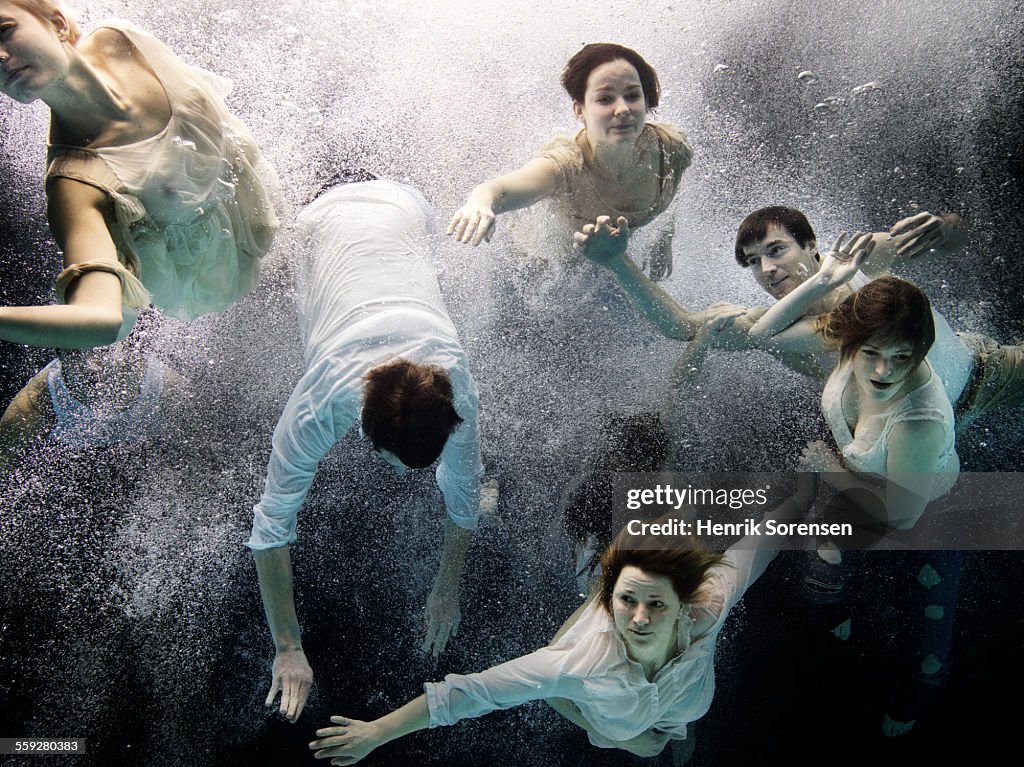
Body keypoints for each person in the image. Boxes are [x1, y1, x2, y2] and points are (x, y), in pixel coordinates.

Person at [309, 478, 814, 765]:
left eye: (656, 605)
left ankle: (680, 734)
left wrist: (811, 490)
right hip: (610, 723)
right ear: (610, 594)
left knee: (677, 729)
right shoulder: (579, 663)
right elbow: (470, 693)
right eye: (627, 600)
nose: (638, 619)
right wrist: (377, 732)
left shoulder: (709, 607)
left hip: (677, 706)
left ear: (683, 603)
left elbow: (760, 543)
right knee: (620, 725)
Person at [248, 179, 484, 724]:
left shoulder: (458, 388)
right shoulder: (322, 401)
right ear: (362, 430)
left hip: (405, 206)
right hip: (323, 221)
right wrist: (287, 646)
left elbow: (465, 494)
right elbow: (269, 527)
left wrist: (444, 590)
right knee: (275, 264)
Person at [748, 253, 963, 735]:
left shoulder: (918, 422)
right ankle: (839, 626)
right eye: (872, 354)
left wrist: (830, 470)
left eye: (902, 357)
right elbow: (759, 335)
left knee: (929, 648)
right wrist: (822, 280)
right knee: (819, 580)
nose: (884, 371)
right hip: (855, 482)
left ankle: (910, 704)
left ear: (920, 352)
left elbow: (901, 517)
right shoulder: (845, 342)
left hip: (926, 511)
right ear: (850, 342)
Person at [577, 206, 1024, 434]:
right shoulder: (765, 323)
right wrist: (618, 263)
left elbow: (956, 240)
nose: (767, 270)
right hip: (909, 430)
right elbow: (679, 326)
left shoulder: (861, 257)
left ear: (812, 246)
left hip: (986, 371)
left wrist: (947, 226)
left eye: (776, 251)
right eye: (753, 263)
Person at [0, 1, 280, 352]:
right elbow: (99, 319)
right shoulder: (75, 183)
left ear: (57, 23)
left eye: (4, 30)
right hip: (237, 289)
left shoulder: (120, 39)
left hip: (273, 206)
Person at [448, 42, 692, 284]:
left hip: (604, 264)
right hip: (534, 269)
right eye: (605, 99)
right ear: (579, 110)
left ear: (647, 100)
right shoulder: (566, 166)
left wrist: (664, 238)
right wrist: (479, 203)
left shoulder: (671, 147)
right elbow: (500, 189)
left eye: (632, 95)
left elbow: (673, 186)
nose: (622, 109)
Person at [0, 310, 185, 471]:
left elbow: (208, 451)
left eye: (102, 352)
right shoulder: (41, 399)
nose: (90, 366)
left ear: (132, 353)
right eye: (76, 352)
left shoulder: (167, 387)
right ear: (60, 355)